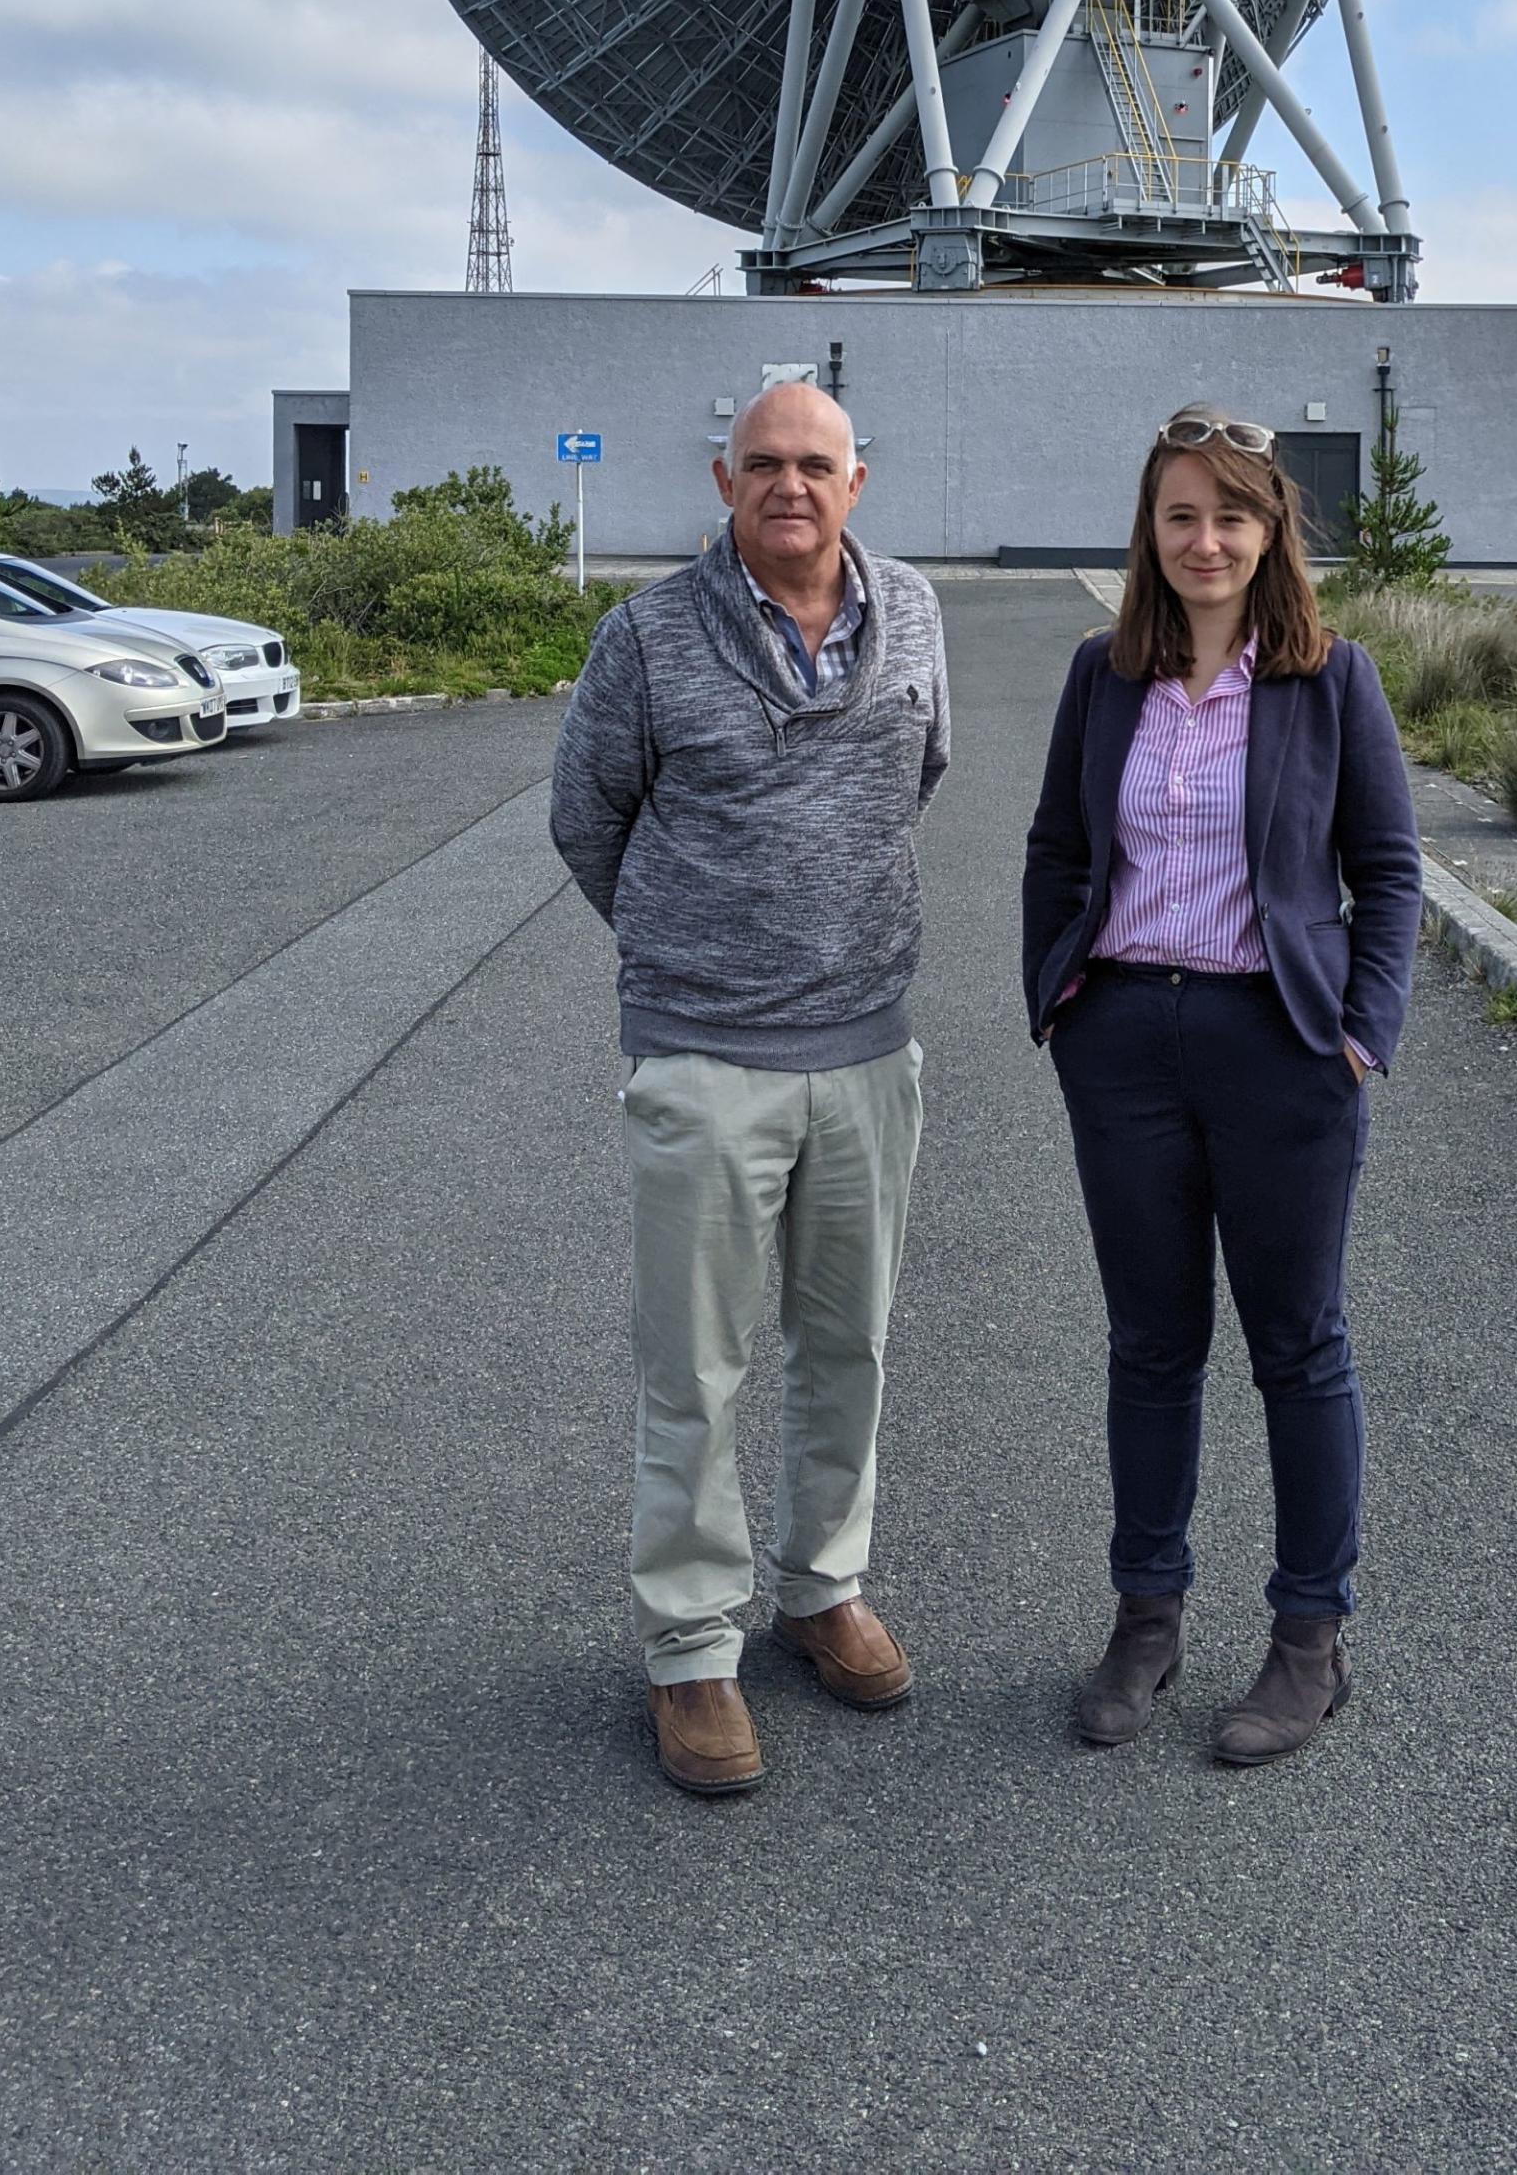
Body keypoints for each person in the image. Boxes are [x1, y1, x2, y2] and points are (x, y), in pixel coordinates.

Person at [551, 380, 949, 1797]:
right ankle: (691, 1651)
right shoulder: (648, 635)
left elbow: (919, 777)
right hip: (706, 1059)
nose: (792, 485)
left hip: (864, 1051)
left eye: (817, 465)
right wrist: (696, 952)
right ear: (724, 482)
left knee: (847, 1350)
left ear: (859, 479)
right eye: (764, 465)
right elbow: (586, 816)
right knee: (697, 1373)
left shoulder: (913, 613)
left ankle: (821, 1588)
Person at [1023, 407, 1422, 1764]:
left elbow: (1392, 868)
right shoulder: (1102, 675)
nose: (1205, 540)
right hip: (1126, 1039)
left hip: (1280, 1047)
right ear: (1152, 526)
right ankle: (1147, 1619)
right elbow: (1056, 847)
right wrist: (1061, 1006)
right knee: (1150, 1348)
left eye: (1231, 517)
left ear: (1269, 535)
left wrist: (1362, 1031)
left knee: (1298, 1350)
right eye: (1182, 514)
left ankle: (1309, 1641)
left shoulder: (1329, 679)